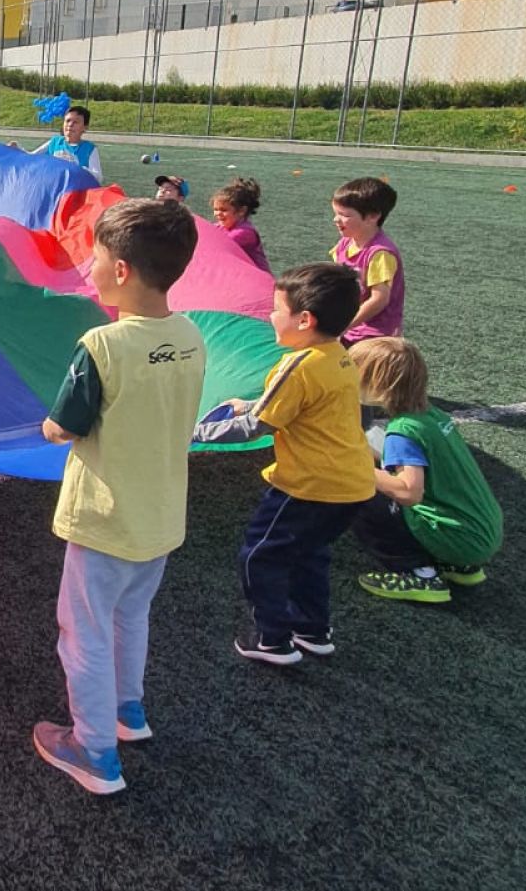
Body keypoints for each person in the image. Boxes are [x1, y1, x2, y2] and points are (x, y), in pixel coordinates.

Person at [35, 199, 205, 795]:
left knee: (83, 631)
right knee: (131, 617)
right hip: (160, 517)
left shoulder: (102, 345)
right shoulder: (191, 335)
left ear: (124, 270)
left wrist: (48, 427)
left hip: (106, 519)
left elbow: (65, 426)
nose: (91, 267)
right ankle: (128, 712)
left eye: (97, 257)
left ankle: (94, 750)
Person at [193, 263, 377, 666]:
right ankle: (312, 629)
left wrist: (193, 433)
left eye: (276, 309)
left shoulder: (297, 365)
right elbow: (301, 407)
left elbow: (255, 427)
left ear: (305, 320)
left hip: (309, 486)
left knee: (260, 556)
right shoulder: (339, 358)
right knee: (310, 553)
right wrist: (250, 404)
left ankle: (272, 639)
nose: (270, 316)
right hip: (353, 486)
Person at [348, 337, 503, 603]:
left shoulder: (402, 431)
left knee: (357, 490)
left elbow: (409, 492)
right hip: (479, 531)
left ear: (378, 384)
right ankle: (459, 566)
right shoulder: (431, 416)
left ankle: (419, 573)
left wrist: (352, 466)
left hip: (460, 538)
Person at [331, 177, 405, 343]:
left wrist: (345, 325)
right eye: (336, 213)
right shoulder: (345, 243)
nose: (336, 219)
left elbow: (379, 299)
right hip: (351, 327)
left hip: (375, 335)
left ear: (373, 216)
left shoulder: (380, 254)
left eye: (344, 215)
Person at [32, 105, 103, 182]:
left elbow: (98, 177)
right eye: (68, 121)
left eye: (75, 122)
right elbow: (32, 156)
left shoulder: (90, 149)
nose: (70, 124)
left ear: (85, 127)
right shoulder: (54, 142)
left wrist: (77, 169)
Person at [211, 178, 269, 270]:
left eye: (224, 210)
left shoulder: (245, 232)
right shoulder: (219, 227)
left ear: (242, 211)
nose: (217, 213)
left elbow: (220, 246)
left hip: (256, 276)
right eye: (215, 209)